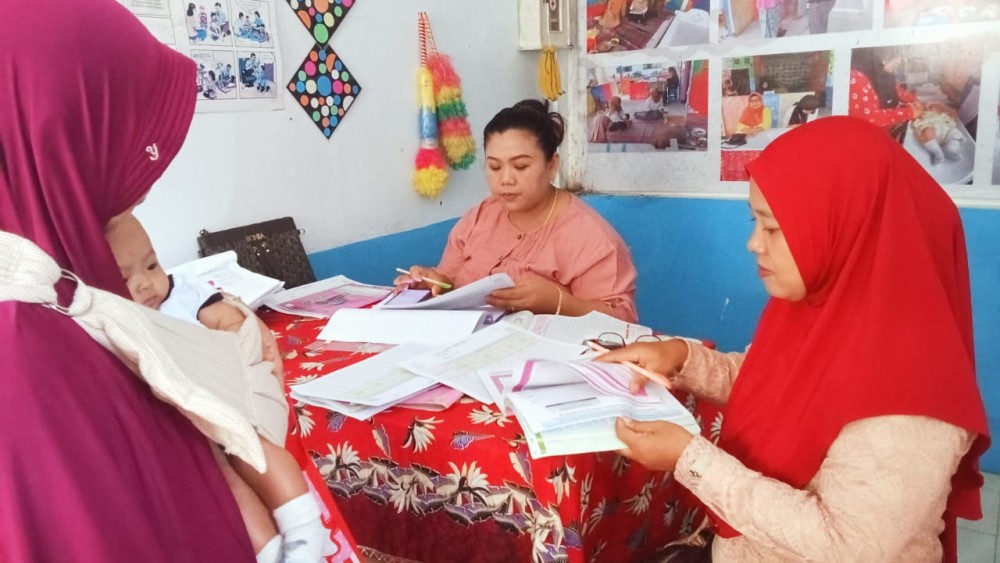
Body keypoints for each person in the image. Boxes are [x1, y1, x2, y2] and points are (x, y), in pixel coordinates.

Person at [601, 117, 988, 562]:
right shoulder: (824, 309)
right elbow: (775, 383)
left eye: (772, 228)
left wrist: (691, 460)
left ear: (844, 227)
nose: (753, 243)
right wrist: (679, 357)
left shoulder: (914, 396)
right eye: (755, 222)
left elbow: (848, 548)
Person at [0, 1, 256, 560]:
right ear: (55, 138)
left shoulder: (72, 294)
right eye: (121, 140)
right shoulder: (24, 362)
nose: (146, 183)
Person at [105, 215, 331, 563]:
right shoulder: (117, 320)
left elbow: (231, 324)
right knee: (220, 481)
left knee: (253, 449)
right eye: (124, 278)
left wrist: (231, 348)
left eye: (152, 265)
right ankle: (272, 554)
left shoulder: (183, 293)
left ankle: (305, 532)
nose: (146, 284)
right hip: (191, 420)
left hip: (230, 399)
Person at [397, 99, 638, 322]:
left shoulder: (592, 239)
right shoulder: (480, 216)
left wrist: (559, 303)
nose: (506, 180)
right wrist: (435, 283)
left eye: (521, 166)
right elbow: (449, 283)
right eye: (494, 167)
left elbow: (623, 321)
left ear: (552, 165)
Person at [849, 47, 925, 141]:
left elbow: (893, 88)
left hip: (883, 131)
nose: (899, 62)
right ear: (883, 56)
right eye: (896, 57)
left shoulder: (879, 69)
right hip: (864, 137)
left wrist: (913, 99)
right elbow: (872, 118)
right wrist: (909, 113)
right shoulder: (856, 77)